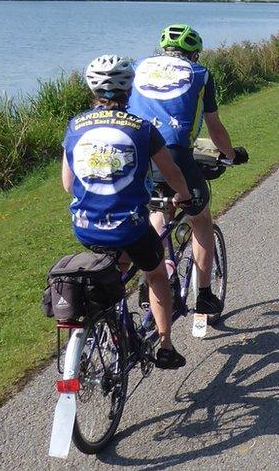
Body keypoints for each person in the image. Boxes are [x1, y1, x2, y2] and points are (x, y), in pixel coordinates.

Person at [62, 55, 193, 369]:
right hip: (129, 226)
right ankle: (165, 346)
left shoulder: (75, 125)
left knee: (117, 263)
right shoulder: (142, 128)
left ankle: (112, 324)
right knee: (157, 274)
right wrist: (183, 195)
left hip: (85, 226)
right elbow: (171, 171)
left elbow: (68, 183)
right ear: (129, 88)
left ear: (91, 88)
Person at [128, 24, 248, 319]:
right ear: (193, 53)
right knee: (201, 220)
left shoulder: (138, 66)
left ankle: (156, 269)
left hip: (136, 153)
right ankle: (205, 296)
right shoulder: (200, 74)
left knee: (159, 205)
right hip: (175, 154)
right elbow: (214, 127)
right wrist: (231, 155)